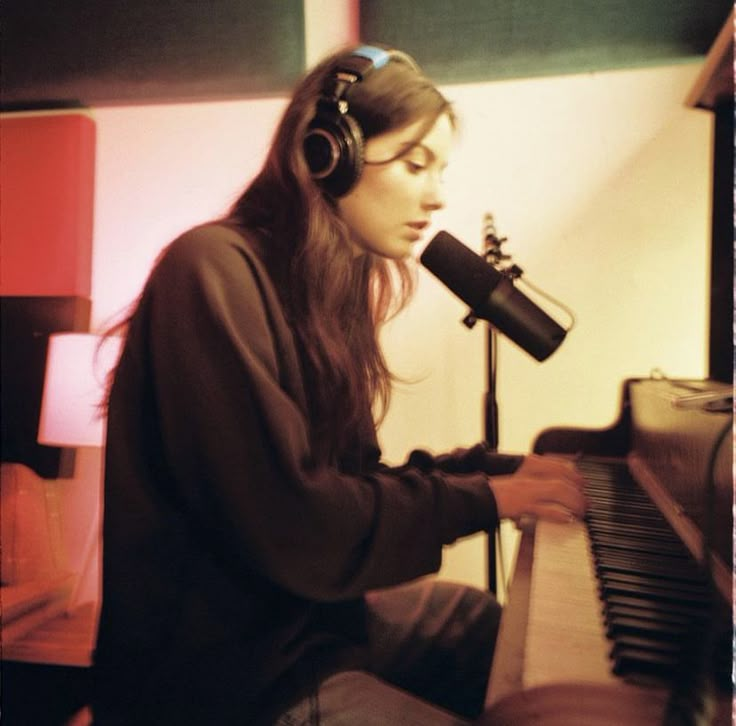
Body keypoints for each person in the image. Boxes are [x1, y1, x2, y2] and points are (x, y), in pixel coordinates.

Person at [92, 44, 586, 725]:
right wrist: (484, 500)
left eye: (440, 169)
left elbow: (350, 482)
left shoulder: (327, 292)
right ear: (331, 153)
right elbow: (297, 520)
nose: (437, 195)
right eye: (415, 164)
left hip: (306, 625)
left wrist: (494, 470)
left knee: (474, 619)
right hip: (228, 679)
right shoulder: (209, 269)